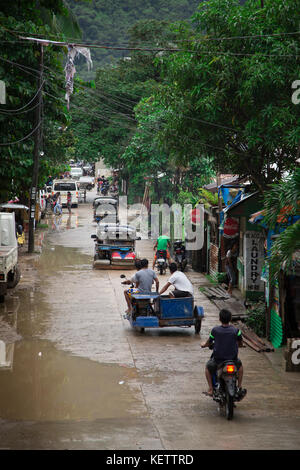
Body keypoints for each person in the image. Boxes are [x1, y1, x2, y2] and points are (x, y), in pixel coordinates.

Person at [201, 309, 246, 397]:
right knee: (240, 367)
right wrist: (240, 345)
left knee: (207, 368)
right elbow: (240, 343)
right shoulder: (236, 331)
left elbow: (209, 342)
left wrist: (204, 345)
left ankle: (210, 389)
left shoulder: (215, 330)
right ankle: (239, 386)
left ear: (219, 319)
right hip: (233, 359)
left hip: (218, 360)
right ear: (230, 319)